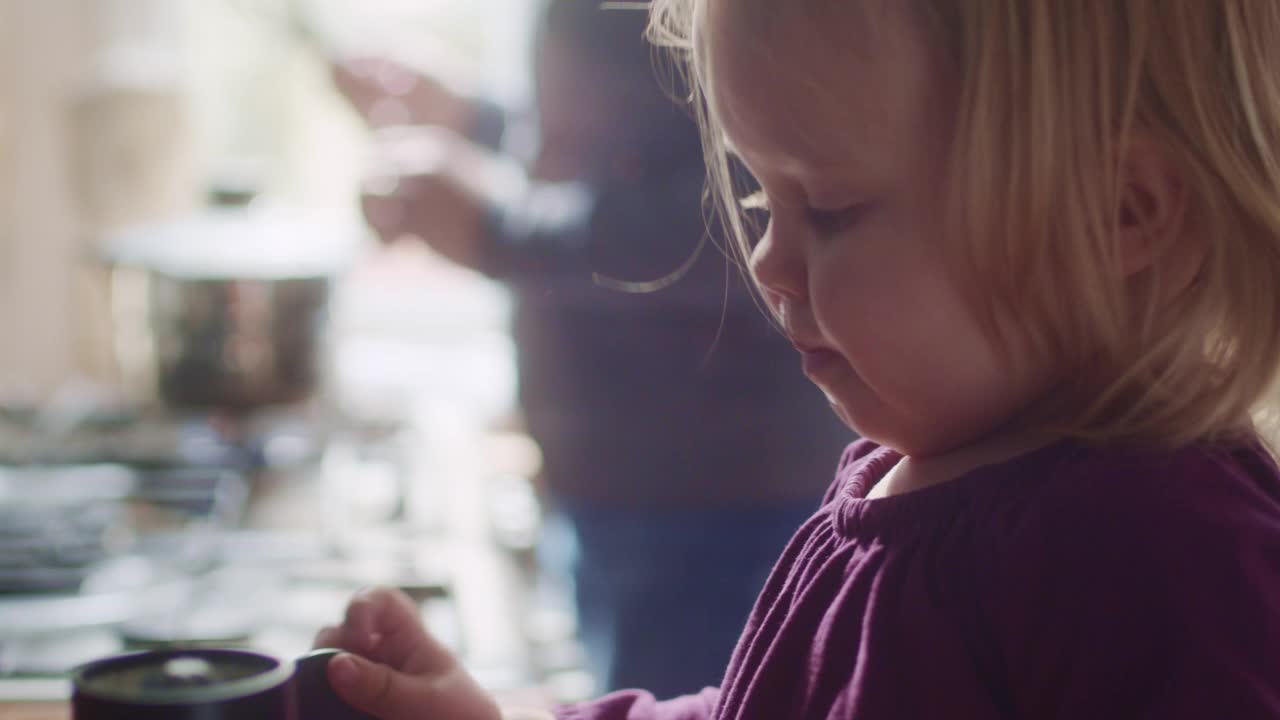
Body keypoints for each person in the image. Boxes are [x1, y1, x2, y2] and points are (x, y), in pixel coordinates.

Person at [315, 0, 1280, 718]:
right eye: (757, 200)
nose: (770, 261)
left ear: (1123, 212)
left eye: (832, 210)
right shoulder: (914, 477)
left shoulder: (1174, 568)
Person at [331, 0, 852, 698]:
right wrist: (475, 115)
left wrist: (498, 226)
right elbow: (637, 127)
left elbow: (746, 204)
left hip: (713, 505)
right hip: (618, 490)